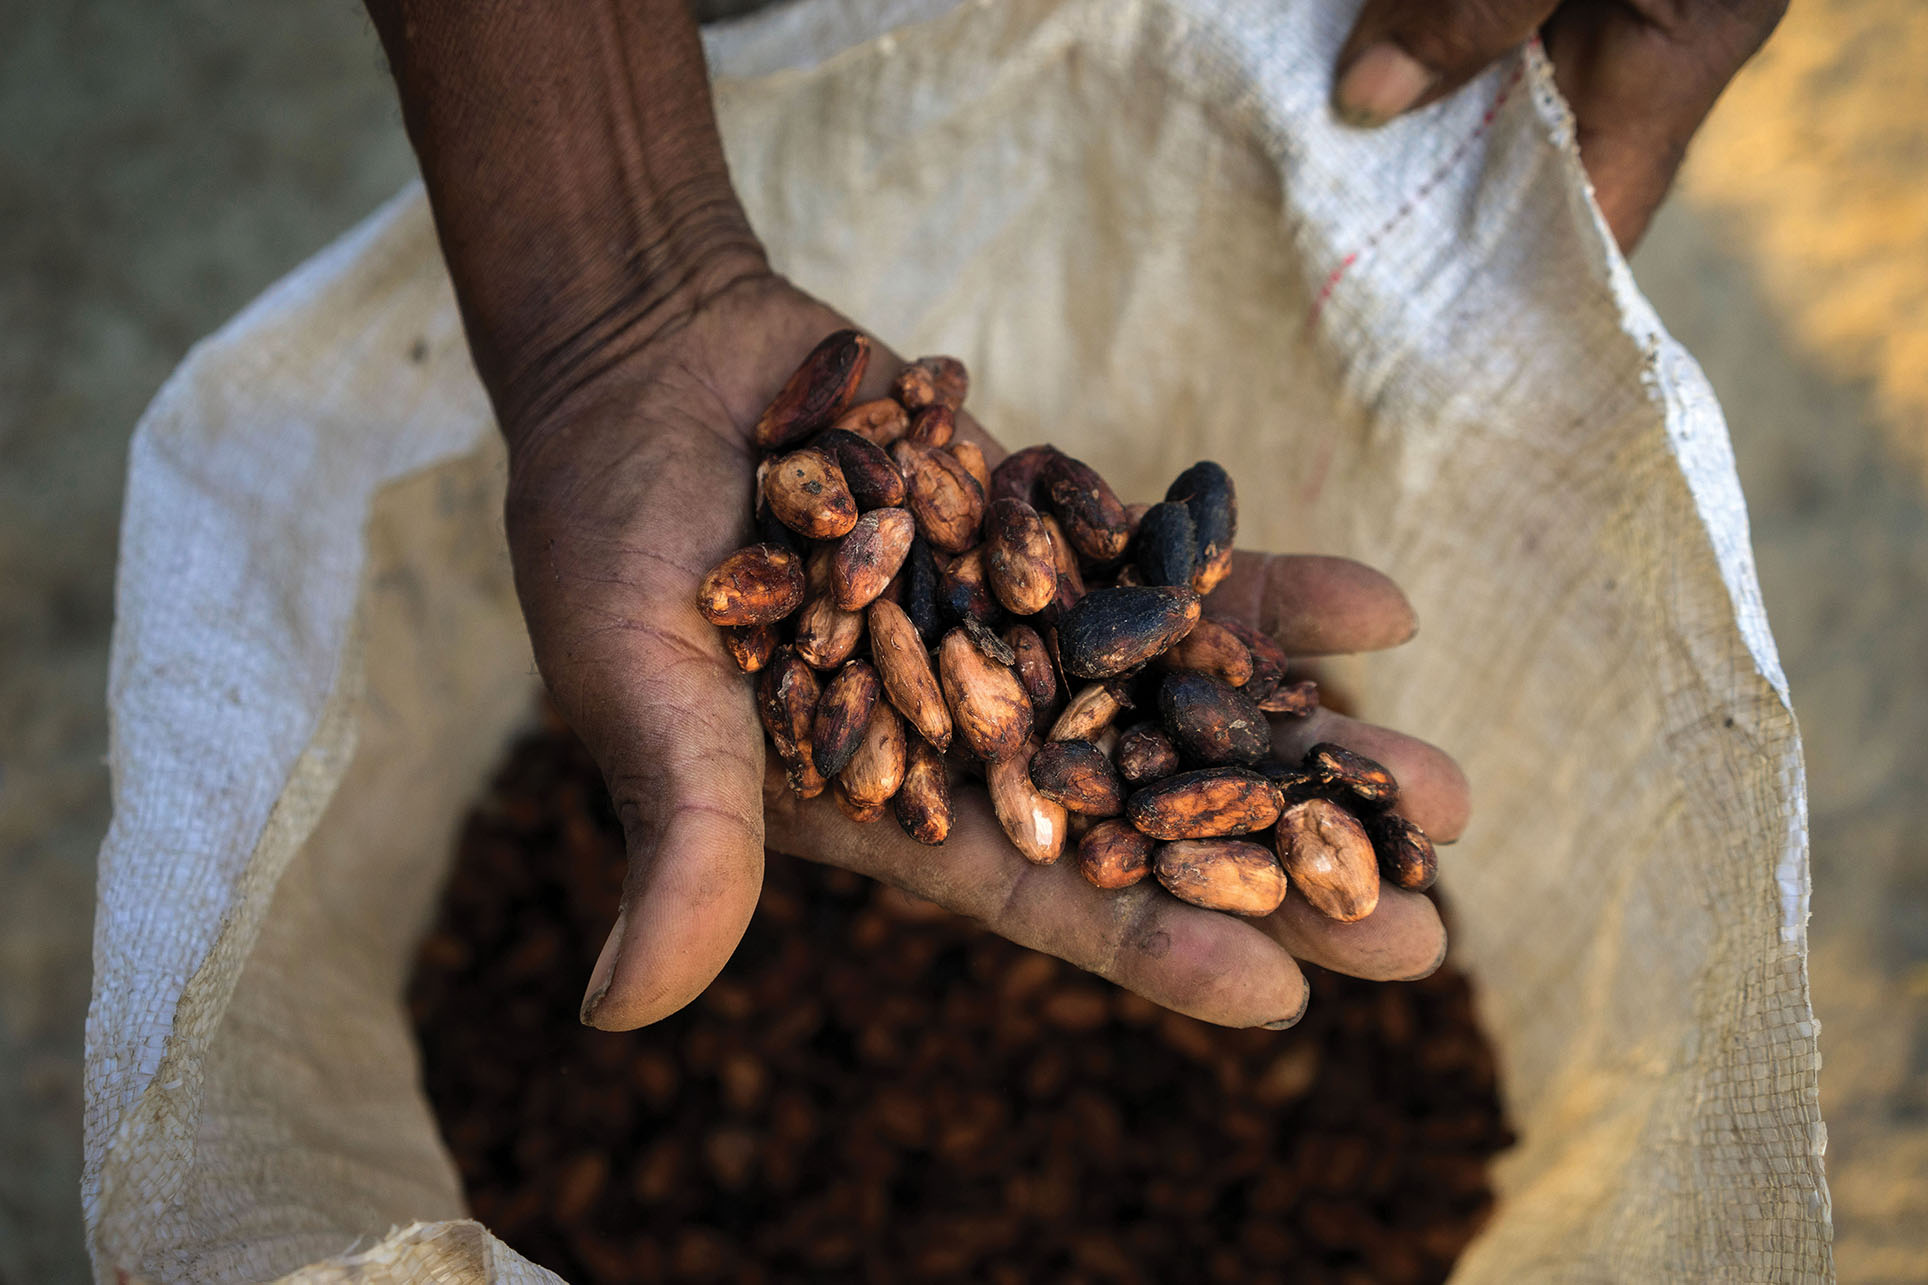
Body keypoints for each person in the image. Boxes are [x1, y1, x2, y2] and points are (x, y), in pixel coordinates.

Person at [359, 0, 1780, 1032]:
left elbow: (1052, 636)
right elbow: (1011, 617)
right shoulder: (935, 594)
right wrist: (619, 300)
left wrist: (630, 298)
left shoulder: (1049, 650)